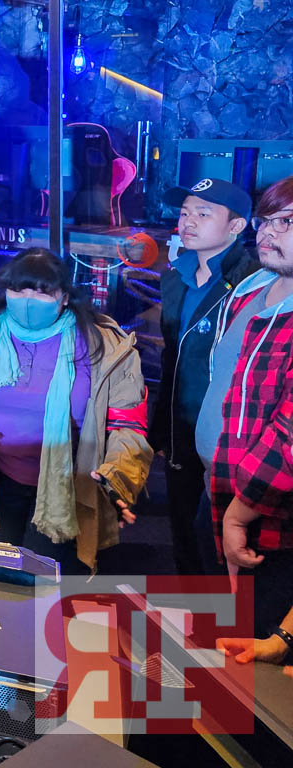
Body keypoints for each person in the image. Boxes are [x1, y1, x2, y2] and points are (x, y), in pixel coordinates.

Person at [0, 248, 151, 574]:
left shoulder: (102, 344)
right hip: (1, 480)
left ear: (65, 298)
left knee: (40, 577)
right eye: (19, 290)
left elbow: (127, 423)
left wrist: (119, 476)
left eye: (42, 292)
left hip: (69, 486)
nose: (28, 301)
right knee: (10, 568)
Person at [197, 175, 293, 638]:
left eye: (287, 221)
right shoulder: (255, 289)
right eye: (266, 221)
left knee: (256, 648)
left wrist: (242, 509)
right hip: (217, 491)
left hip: (266, 513)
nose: (269, 232)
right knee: (219, 633)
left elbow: (289, 431)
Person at [153, 178, 257, 575]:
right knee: (182, 535)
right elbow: (172, 358)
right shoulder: (174, 276)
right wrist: (160, 431)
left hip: (229, 438)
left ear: (236, 226)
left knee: (221, 544)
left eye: (203, 213)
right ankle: (192, 611)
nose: (188, 222)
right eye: (184, 213)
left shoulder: (255, 283)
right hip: (181, 429)